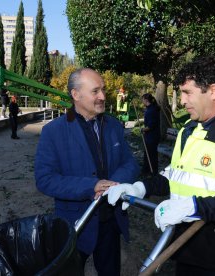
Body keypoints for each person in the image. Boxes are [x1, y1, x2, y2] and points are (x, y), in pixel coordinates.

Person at [105, 56, 215, 275]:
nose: (182, 101)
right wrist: (140, 188)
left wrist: (193, 207)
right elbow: (175, 175)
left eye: (187, 92)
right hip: (187, 249)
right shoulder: (189, 130)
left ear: (212, 91)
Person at [35, 68, 140, 275]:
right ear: (76, 95)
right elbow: (45, 179)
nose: (103, 96)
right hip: (75, 224)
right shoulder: (53, 132)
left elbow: (130, 164)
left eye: (103, 90)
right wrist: (90, 186)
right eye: (95, 91)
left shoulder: (114, 126)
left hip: (111, 222)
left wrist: (113, 184)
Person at [141, 93, 160, 175]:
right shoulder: (149, 109)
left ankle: (152, 172)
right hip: (149, 136)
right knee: (147, 153)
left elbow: (151, 125)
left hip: (152, 136)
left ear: (146, 100)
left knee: (151, 154)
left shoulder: (152, 110)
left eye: (142, 100)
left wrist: (143, 129)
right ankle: (147, 170)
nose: (142, 102)